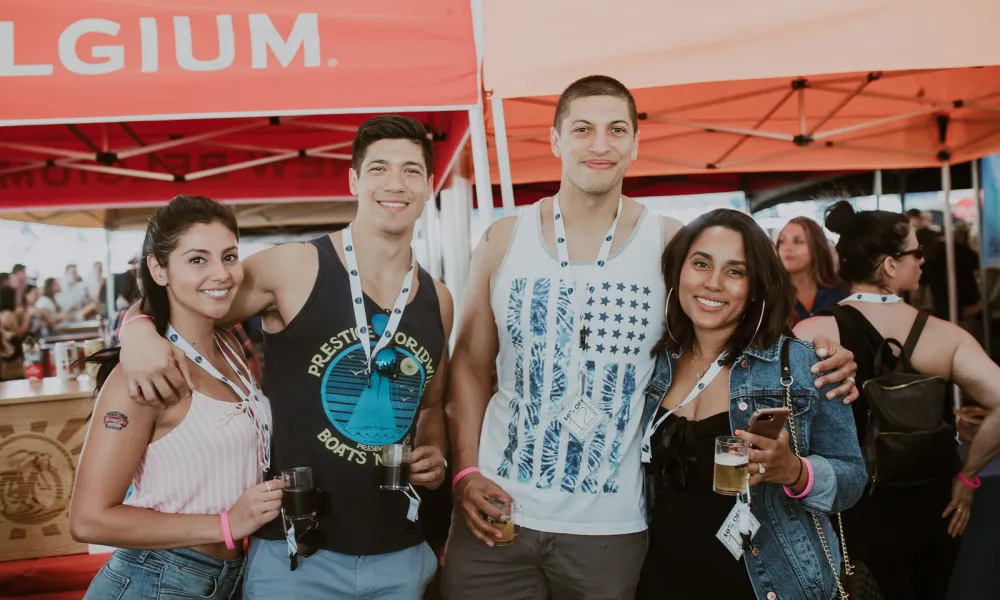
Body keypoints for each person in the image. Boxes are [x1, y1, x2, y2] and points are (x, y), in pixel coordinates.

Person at [441, 75, 859, 600]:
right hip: (497, 512)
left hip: (612, 530)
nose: (600, 145)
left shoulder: (669, 243)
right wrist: (466, 472)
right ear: (554, 140)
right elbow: (470, 365)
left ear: (635, 144)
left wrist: (817, 349)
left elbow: (728, 313)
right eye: (583, 129)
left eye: (616, 129)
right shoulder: (503, 239)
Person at [114, 115, 451, 599]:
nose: (395, 184)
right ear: (354, 179)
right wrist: (136, 328)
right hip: (297, 555)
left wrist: (434, 452)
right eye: (379, 168)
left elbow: (432, 405)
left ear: (429, 185)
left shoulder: (439, 300)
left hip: (400, 551)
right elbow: (193, 292)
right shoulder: (294, 266)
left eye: (411, 171)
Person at [636, 209, 866, 600]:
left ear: (757, 285)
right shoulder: (650, 364)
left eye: (735, 271)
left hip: (771, 583)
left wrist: (795, 471)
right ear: (678, 272)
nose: (713, 283)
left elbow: (852, 478)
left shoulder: (802, 364)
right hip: (664, 578)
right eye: (701, 264)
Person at [69, 195, 280, 599]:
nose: (220, 273)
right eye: (197, 260)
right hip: (156, 578)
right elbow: (88, 520)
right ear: (158, 269)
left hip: (227, 577)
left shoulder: (232, 344)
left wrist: (138, 325)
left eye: (229, 256)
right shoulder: (145, 374)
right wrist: (225, 524)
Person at [794, 201, 1000, 600]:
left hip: (850, 505)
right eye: (915, 253)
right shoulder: (945, 335)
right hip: (933, 503)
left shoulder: (815, 330)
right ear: (889, 265)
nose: (922, 262)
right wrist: (968, 477)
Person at [777, 216, 848, 322]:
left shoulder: (840, 292)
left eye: (797, 241)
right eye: (782, 241)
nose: (786, 248)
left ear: (816, 247)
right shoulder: (771, 295)